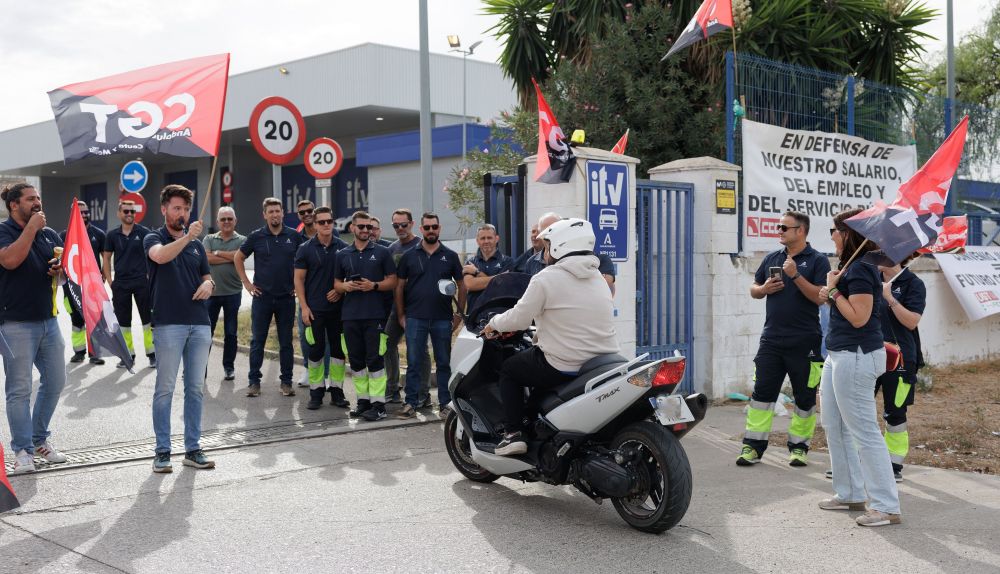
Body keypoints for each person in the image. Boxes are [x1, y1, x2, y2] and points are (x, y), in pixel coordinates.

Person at [481, 218, 620, 456]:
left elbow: (519, 318)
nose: (544, 252)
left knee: (510, 370)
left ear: (558, 247)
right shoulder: (597, 276)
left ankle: (514, 434)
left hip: (565, 362)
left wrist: (493, 324)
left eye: (546, 246)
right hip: (602, 359)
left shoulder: (547, 277)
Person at [817, 208, 900, 527]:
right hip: (839, 354)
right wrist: (830, 292)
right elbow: (845, 308)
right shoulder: (849, 267)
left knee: (864, 430)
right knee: (834, 425)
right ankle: (850, 492)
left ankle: (886, 505)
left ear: (848, 233)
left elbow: (859, 317)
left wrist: (834, 292)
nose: (833, 237)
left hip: (857, 355)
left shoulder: (864, 269)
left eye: (834, 232)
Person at [738, 211, 829, 467]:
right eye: (779, 227)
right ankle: (752, 447)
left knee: (804, 397)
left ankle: (799, 448)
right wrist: (763, 289)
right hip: (772, 339)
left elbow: (820, 297)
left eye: (784, 228)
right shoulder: (772, 257)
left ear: (800, 231)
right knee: (761, 394)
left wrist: (796, 276)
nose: (779, 231)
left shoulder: (818, 261)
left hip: (805, 341)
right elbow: (754, 289)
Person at [144, 185, 216, 473]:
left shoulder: (197, 245)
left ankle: (193, 448)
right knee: (165, 389)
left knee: (196, 389)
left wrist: (210, 284)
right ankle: (162, 452)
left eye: (186, 209)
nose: (182, 213)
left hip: (199, 323)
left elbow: (206, 274)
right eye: (177, 208)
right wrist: (188, 237)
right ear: (164, 209)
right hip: (168, 323)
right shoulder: (153, 237)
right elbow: (160, 256)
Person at [0, 182, 68, 475]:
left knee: (55, 381)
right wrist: (31, 229)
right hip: (15, 323)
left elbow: (62, 277)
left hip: (48, 320)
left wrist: (60, 271)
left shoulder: (48, 234)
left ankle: (40, 440)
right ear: (14, 205)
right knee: (19, 390)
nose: (37, 203)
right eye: (30, 199)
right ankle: (23, 450)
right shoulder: (4, 231)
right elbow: (11, 260)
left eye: (38, 197)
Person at [394, 213, 467, 419]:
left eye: (434, 227)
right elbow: (399, 286)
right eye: (427, 227)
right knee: (414, 361)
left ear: (439, 228)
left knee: (443, 362)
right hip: (415, 317)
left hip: (443, 318)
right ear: (421, 230)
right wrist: (401, 314)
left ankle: (445, 403)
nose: (431, 230)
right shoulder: (409, 255)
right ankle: (411, 403)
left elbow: (462, 285)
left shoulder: (450, 256)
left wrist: (458, 315)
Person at [235, 198, 304, 397]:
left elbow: (305, 261)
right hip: (262, 297)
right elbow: (238, 257)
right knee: (258, 341)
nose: (274, 215)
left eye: (277, 211)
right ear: (264, 214)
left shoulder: (293, 236)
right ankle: (254, 382)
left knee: (286, 343)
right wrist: (247, 284)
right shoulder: (256, 236)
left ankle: (286, 382)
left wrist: (298, 286)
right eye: (270, 211)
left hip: (286, 298)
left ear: (283, 213)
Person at [334, 211, 397, 421]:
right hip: (350, 316)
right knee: (356, 361)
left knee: (375, 360)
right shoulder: (342, 254)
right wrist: (345, 285)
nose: (365, 231)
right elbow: (336, 284)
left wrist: (374, 285)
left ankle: (378, 405)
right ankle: (362, 402)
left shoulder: (382, 252)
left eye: (369, 227)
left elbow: (393, 281)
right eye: (361, 227)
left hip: (375, 316)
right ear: (352, 228)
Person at [294, 206, 351, 410]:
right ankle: (316, 393)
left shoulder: (344, 248)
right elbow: (298, 280)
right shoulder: (305, 249)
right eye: (322, 222)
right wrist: (304, 307)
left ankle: (337, 392)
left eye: (329, 221)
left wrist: (341, 290)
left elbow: (348, 278)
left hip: (339, 311)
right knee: (316, 352)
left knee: (338, 353)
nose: (326, 225)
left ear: (333, 222)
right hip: (314, 310)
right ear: (315, 224)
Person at [876, 254, 926, 482]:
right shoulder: (869, 279)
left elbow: (911, 321)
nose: (874, 258)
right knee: (859, 409)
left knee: (895, 412)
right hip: (869, 353)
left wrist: (890, 298)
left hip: (900, 358)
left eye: (879, 253)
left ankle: (893, 465)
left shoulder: (913, 283)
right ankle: (859, 460)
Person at [383, 208, 431, 407]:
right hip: (395, 308)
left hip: (418, 308)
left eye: (403, 224)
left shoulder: (423, 246)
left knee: (419, 349)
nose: (400, 228)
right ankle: (393, 389)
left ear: (411, 224)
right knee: (386, 345)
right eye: (396, 225)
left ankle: (423, 393)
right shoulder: (391, 249)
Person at [103, 199, 155, 368]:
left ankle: (152, 354)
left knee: (148, 320)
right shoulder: (112, 235)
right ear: (119, 214)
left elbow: (152, 255)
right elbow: (106, 258)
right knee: (124, 323)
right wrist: (111, 282)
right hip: (121, 284)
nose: (130, 214)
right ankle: (128, 355)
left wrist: (149, 277)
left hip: (141, 282)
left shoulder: (144, 232)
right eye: (126, 211)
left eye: (132, 211)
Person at [60, 200, 106, 365]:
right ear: (73, 215)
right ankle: (79, 352)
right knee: (77, 321)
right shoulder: (63, 236)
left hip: (92, 286)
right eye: (81, 212)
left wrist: (105, 277)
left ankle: (95, 353)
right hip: (71, 287)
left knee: (94, 320)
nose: (85, 215)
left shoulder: (99, 234)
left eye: (87, 212)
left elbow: (105, 258)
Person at [203, 206, 246, 381]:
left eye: (230, 219)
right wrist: (231, 257)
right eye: (223, 219)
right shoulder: (208, 238)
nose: (227, 222)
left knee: (231, 333)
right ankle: (200, 368)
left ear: (235, 221)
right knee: (206, 334)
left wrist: (218, 252)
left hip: (233, 292)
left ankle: (229, 367)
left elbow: (240, 257)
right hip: (210, 294)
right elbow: (206, 258)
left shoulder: (242, 239)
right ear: (218, 222)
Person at [523, 212, 617, 292]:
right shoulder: (532, 262)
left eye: (555, 229)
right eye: (547, 230)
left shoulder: (599, 259)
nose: (551, 234)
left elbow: (605, 290)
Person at [463, 223, 512, 313]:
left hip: (499, 316)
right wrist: (499, 277)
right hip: (474, 315)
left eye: (489, 238)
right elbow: (470, 285)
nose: (486, 241)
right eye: (482, 238)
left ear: (496, 239)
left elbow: (503, 287)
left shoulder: (507, 261)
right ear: (477, 240)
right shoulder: (471, 262)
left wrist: (477, 272)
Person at [295, 199, 318, 387]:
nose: (307, 214)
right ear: (299, 216)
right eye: (302, 212)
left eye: (309, 210)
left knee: (326, 335)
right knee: (304, 334)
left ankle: (325, 372)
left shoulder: (329, 232)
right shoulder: (297, 238)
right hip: (304, 294)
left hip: (328, 293)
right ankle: (308, 368)